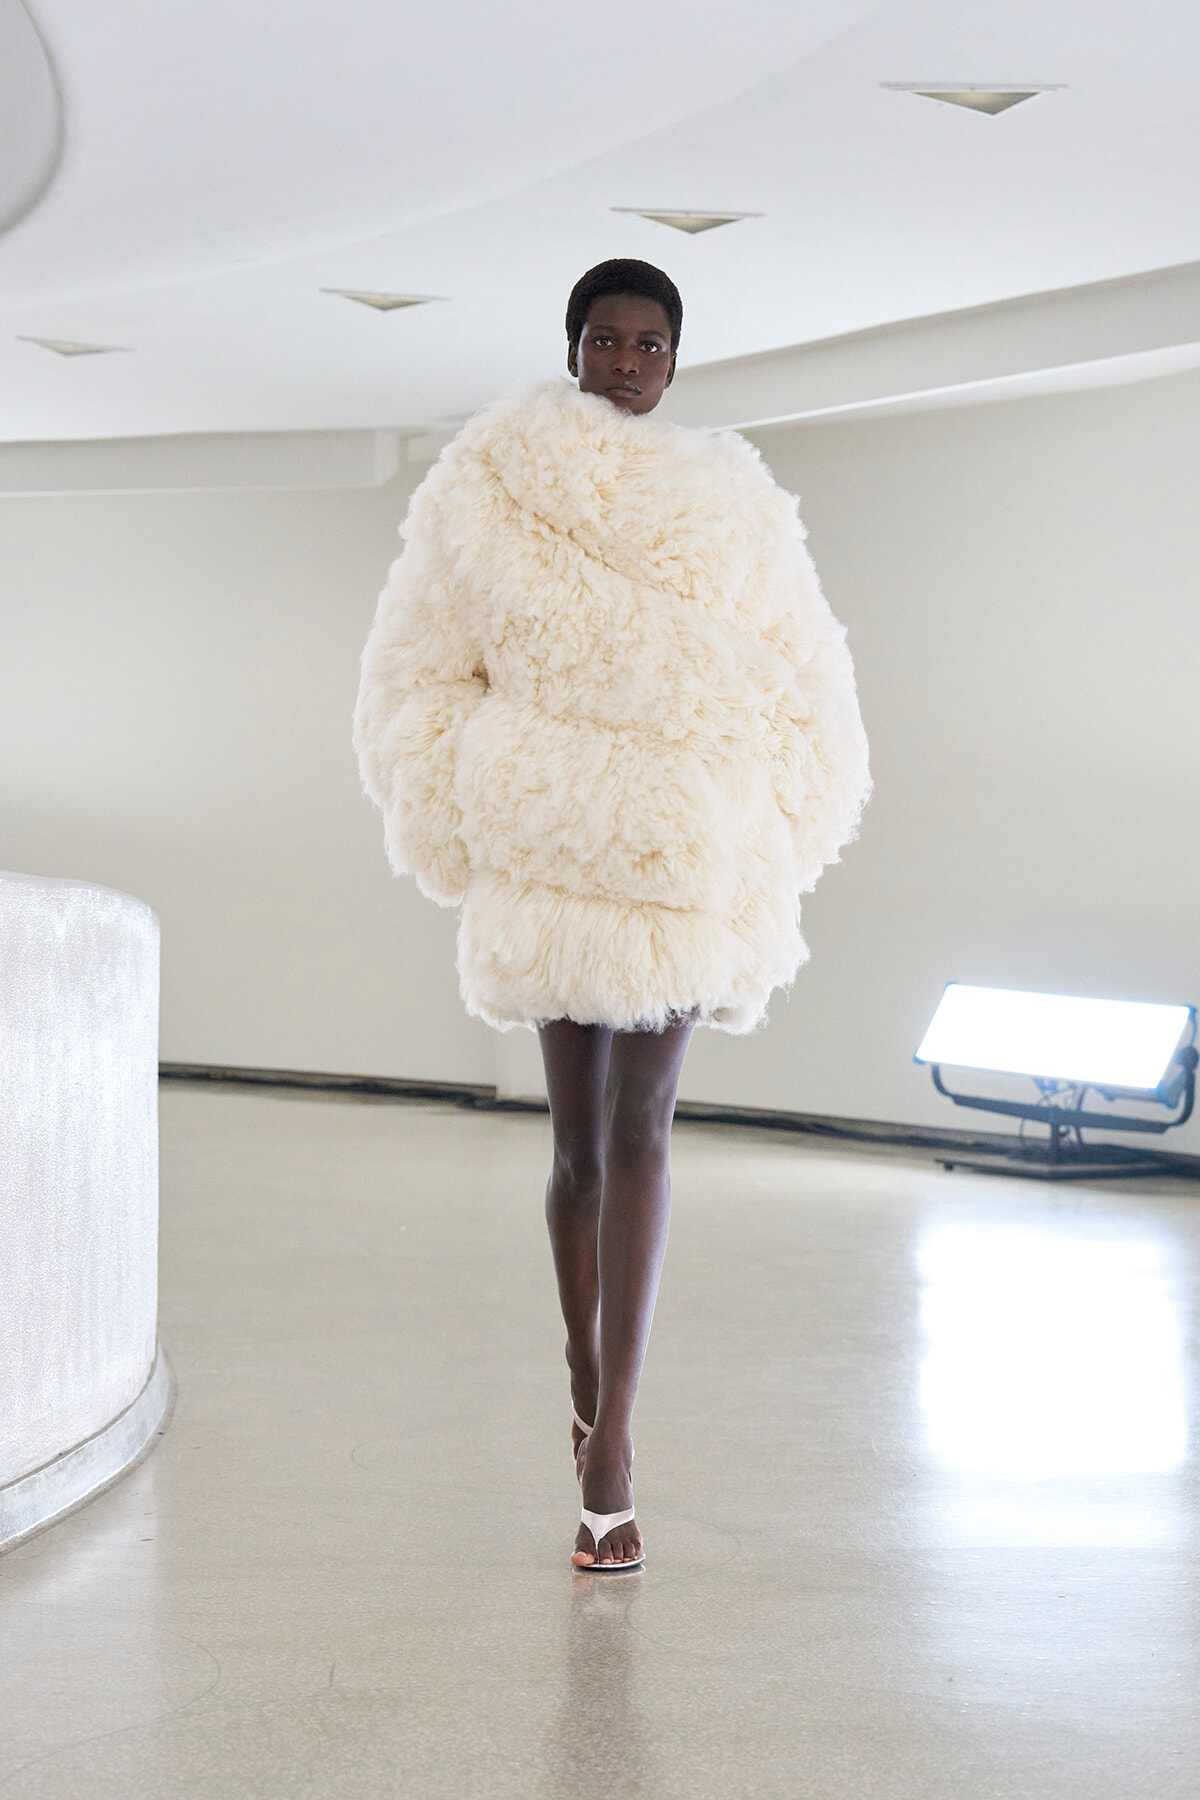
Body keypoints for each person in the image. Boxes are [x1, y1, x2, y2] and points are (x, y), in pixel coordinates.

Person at [354, 258, 870, 1569]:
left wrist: (763, 834)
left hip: (679, 860)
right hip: (553, 847)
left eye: (650, 345)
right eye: (606, 340)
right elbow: (418, 669)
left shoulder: (735, 505)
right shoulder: (488, 491)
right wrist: (479, 802)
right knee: (577, 1150)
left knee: (643, 1130)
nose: (627, 363)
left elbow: (805, 675)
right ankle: (584, 1365)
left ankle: (613, 1445)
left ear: (677, 362)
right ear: (572, 348)